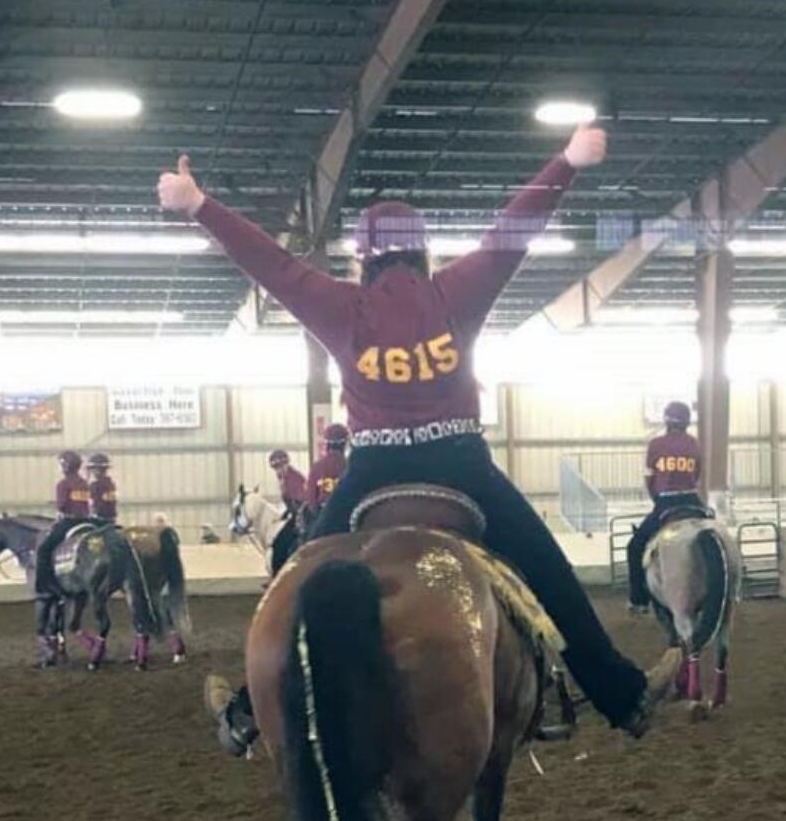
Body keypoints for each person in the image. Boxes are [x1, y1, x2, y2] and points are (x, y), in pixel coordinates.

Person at [158, 125, 650, 742]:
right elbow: (511, 235)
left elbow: (273, 264)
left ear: (364, 255)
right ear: (421, 250)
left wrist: (199, 206)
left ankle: (251, 714)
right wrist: (566, 162)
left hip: (371, 471)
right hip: (464, 466)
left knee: (297, 579)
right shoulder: (458, 289)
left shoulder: (338, 304)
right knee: (550, 574)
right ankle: (620, 697)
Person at [626, 401, 707, 612]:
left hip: (666, 502)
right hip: (692, 500)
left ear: (667, 421)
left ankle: (639, 600)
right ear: (687, 422)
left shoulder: (655, 445)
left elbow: (649, 479)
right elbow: (697, 475)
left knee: (635, 546)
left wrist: (657, 500)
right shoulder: (694, 444)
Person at [36, 449, 91, 596]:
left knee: (43, 550)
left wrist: (54, 504)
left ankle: (44, 586)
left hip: (69, 522)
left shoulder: (63, 484)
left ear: (65, 466)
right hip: (86, 521)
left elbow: (61, 506)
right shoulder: (84, 483)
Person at [268, 448, 307, 573]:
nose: (278, 471)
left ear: (285, 464)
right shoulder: (285, 478)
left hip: (301, 516)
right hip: (297, 514)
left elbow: (299, 500)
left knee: (278, 543)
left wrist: (295, 516)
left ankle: (277, 575)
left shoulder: (293, 478)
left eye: (279, 467)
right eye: (276, 468)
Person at [305, 421, 349, 527]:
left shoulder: (317, 467)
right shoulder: (350, 466)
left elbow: (311, 498)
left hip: (323, 516)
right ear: (345, 444)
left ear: (326, 444)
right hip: (346, 516)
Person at [87, 452, 118, 524]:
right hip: (111, 519)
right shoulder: (110, 484)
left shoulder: (95, 485)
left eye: (92, 469)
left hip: (99, 521)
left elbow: (96, 506)